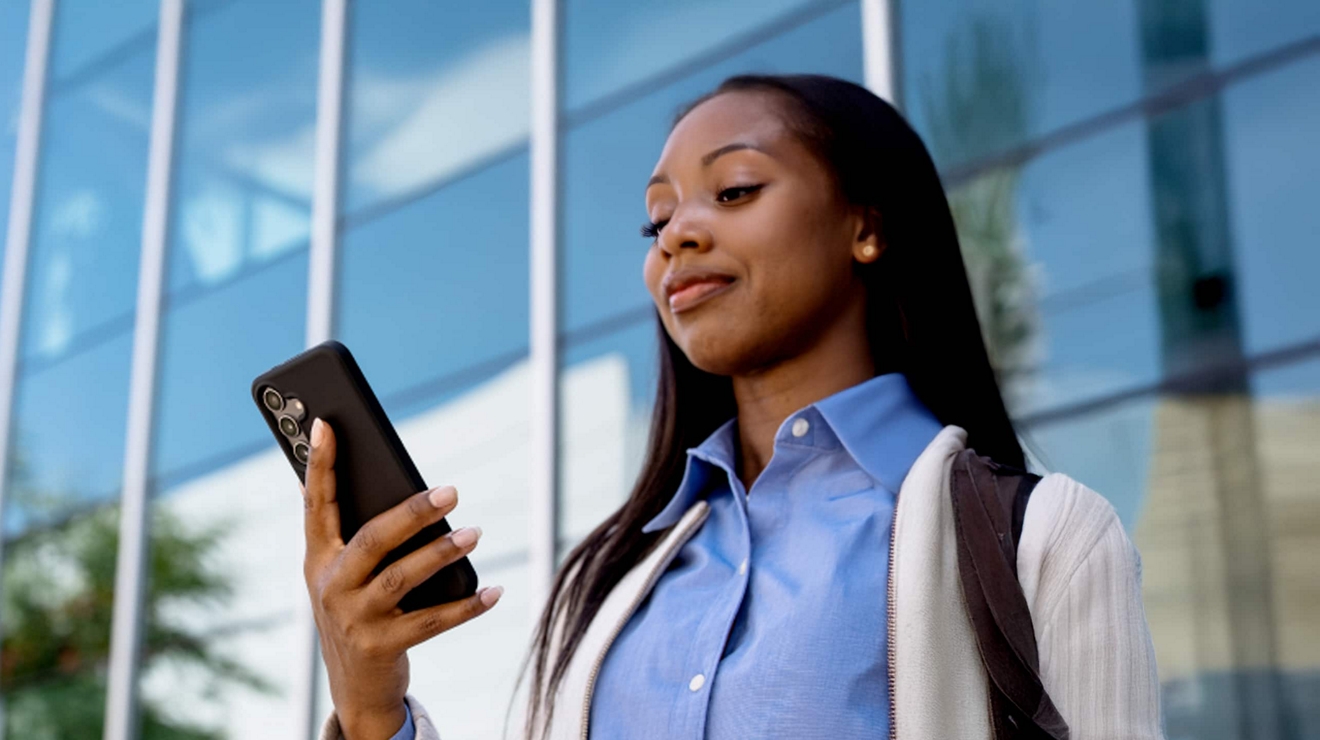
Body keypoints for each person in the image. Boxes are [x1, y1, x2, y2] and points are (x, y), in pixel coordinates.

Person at [302, 74, 1163, 740]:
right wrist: (372, 710)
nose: (676, 235)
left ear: (866, 226)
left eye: (736, 189)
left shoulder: (1043, 539)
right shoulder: (609, 581)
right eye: (656, 222)